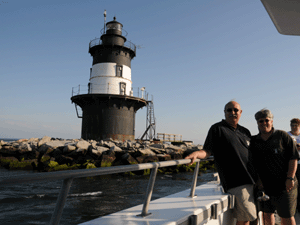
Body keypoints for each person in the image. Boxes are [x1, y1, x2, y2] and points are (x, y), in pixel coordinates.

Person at [185, 101, 257, 225]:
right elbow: (207, 150)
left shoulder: (245, 131)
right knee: (246, 217)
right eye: (229, 110)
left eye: (235, 110)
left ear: (240, 112)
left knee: (253, 217)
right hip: (237, 182)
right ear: (224, 112)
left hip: (253, 180)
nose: (232, 113)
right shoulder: (217, 129)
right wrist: (197, 154)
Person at [250, 109, 299, 225]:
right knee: (267, 215)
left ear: (271, 121)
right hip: (265, 186)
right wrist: (258, 181)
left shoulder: (282, 136)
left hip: (285, 185)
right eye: (261, 121)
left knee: (286, 216)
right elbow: (252, 163)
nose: (264, 123)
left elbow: (293, 158)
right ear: (257, 123)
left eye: (266, 120)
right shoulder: (254, 141)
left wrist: (290, 178)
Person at [287, 118, 300, 212]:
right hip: (292, 164)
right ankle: (293, 206)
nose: (294, 127)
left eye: (296, 125)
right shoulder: (287, 135)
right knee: (293, 186)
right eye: (292, 125)